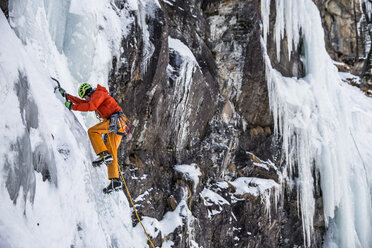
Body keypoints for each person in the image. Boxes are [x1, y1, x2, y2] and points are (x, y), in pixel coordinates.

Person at [60, 83, 130, 194]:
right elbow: (84, 103)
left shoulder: (98, 93)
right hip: (119, 124)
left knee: (93, 131)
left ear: (88, 93)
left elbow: (90, 106)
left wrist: (72, 107)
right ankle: (115, 181)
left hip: (116, 121)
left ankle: (103, 154)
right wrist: (67, 96)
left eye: (85, 97)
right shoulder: (95, 96)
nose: (85, 99)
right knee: (112, 152)